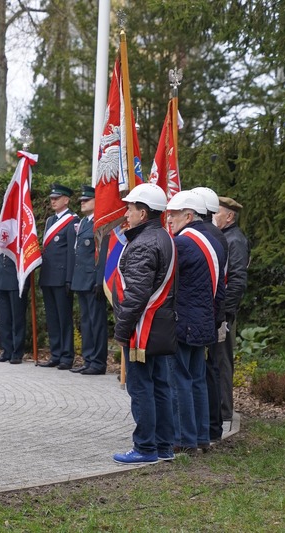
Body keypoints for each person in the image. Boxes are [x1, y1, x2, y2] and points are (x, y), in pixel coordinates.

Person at [111, 183, 177, 465]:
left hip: (143, 328)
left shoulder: (143, 244)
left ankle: (146, 447)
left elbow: (136, 295)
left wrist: (122, 330)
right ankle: (164, 446)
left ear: (144, 212)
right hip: (159, 325)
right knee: (160, 385)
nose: (127, 213)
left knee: (141, 388)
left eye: (130, 208)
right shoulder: (162, 236)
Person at [165, 191, 225, 455]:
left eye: (174, 215)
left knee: (180, 380)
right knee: (197, 379)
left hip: (183, 322)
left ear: (189, 216)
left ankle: (183, 438)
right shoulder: (213, 240)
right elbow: (220, 289)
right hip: (204, 321)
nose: (169, 220)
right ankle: (201, 436)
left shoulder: (184, 243)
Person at [191, 186, 229, 443]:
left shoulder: (207, 235)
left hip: (207, 311)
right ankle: (212, 426)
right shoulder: (217, 234)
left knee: (207, 371)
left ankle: (211, 426)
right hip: (214, 310)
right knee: (210, 369)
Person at [213, 196, 250, 422]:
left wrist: (225, 313)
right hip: (220, 310)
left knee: (222, 359)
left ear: (229, 216)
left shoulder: (235, 240)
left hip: (224, 313)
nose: (213, 216)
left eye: (217, 212)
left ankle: (224, 410)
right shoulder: (224, 237)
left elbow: (237, 280)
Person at [37, 183, 78, 370]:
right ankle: (55, 353)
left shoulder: (72, 221)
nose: (53, 201)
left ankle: (67, 356)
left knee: (64, 318)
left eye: (57, 198)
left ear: (66, 200)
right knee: (52, 318)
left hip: (62, 278)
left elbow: (71, 253)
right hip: (48, 276)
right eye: (52, 198)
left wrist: (69, 278)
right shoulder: (49, 222)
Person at [70, 185, 108, 375]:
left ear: (96, 201)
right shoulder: (84, 223)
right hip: (81, 280)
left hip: (93, 281)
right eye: (82, 201)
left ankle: (98, 362)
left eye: (87, 200)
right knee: (85, 322)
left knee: (96, 322)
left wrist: (99, 280)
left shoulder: (100, 224)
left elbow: (102, 255)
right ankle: (88, 359)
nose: (82, 203)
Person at [0, 251, 28, 364]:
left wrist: (26, 282)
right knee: (4, 319)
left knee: (17, 319)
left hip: (17, 281)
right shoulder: (1, 234)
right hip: (1, 280)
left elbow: (27, 259)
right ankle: (7, 351)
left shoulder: (21, 234)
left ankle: (17, 353)